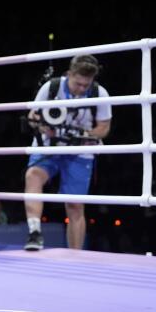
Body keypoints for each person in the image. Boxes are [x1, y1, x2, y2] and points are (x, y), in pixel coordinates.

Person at [23, 55, 112, 251]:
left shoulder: (99, 93)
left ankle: (75, 255)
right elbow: (32, 116)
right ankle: (35, 233)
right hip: (49, 145)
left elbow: (104, 127)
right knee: (33, 177)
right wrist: (43, 125)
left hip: (80, 151)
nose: (81, 89)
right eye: (78, 83)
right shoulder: (52, 87)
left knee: (75, 205)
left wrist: (84, 134)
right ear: (69, 74)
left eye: (85, 85)